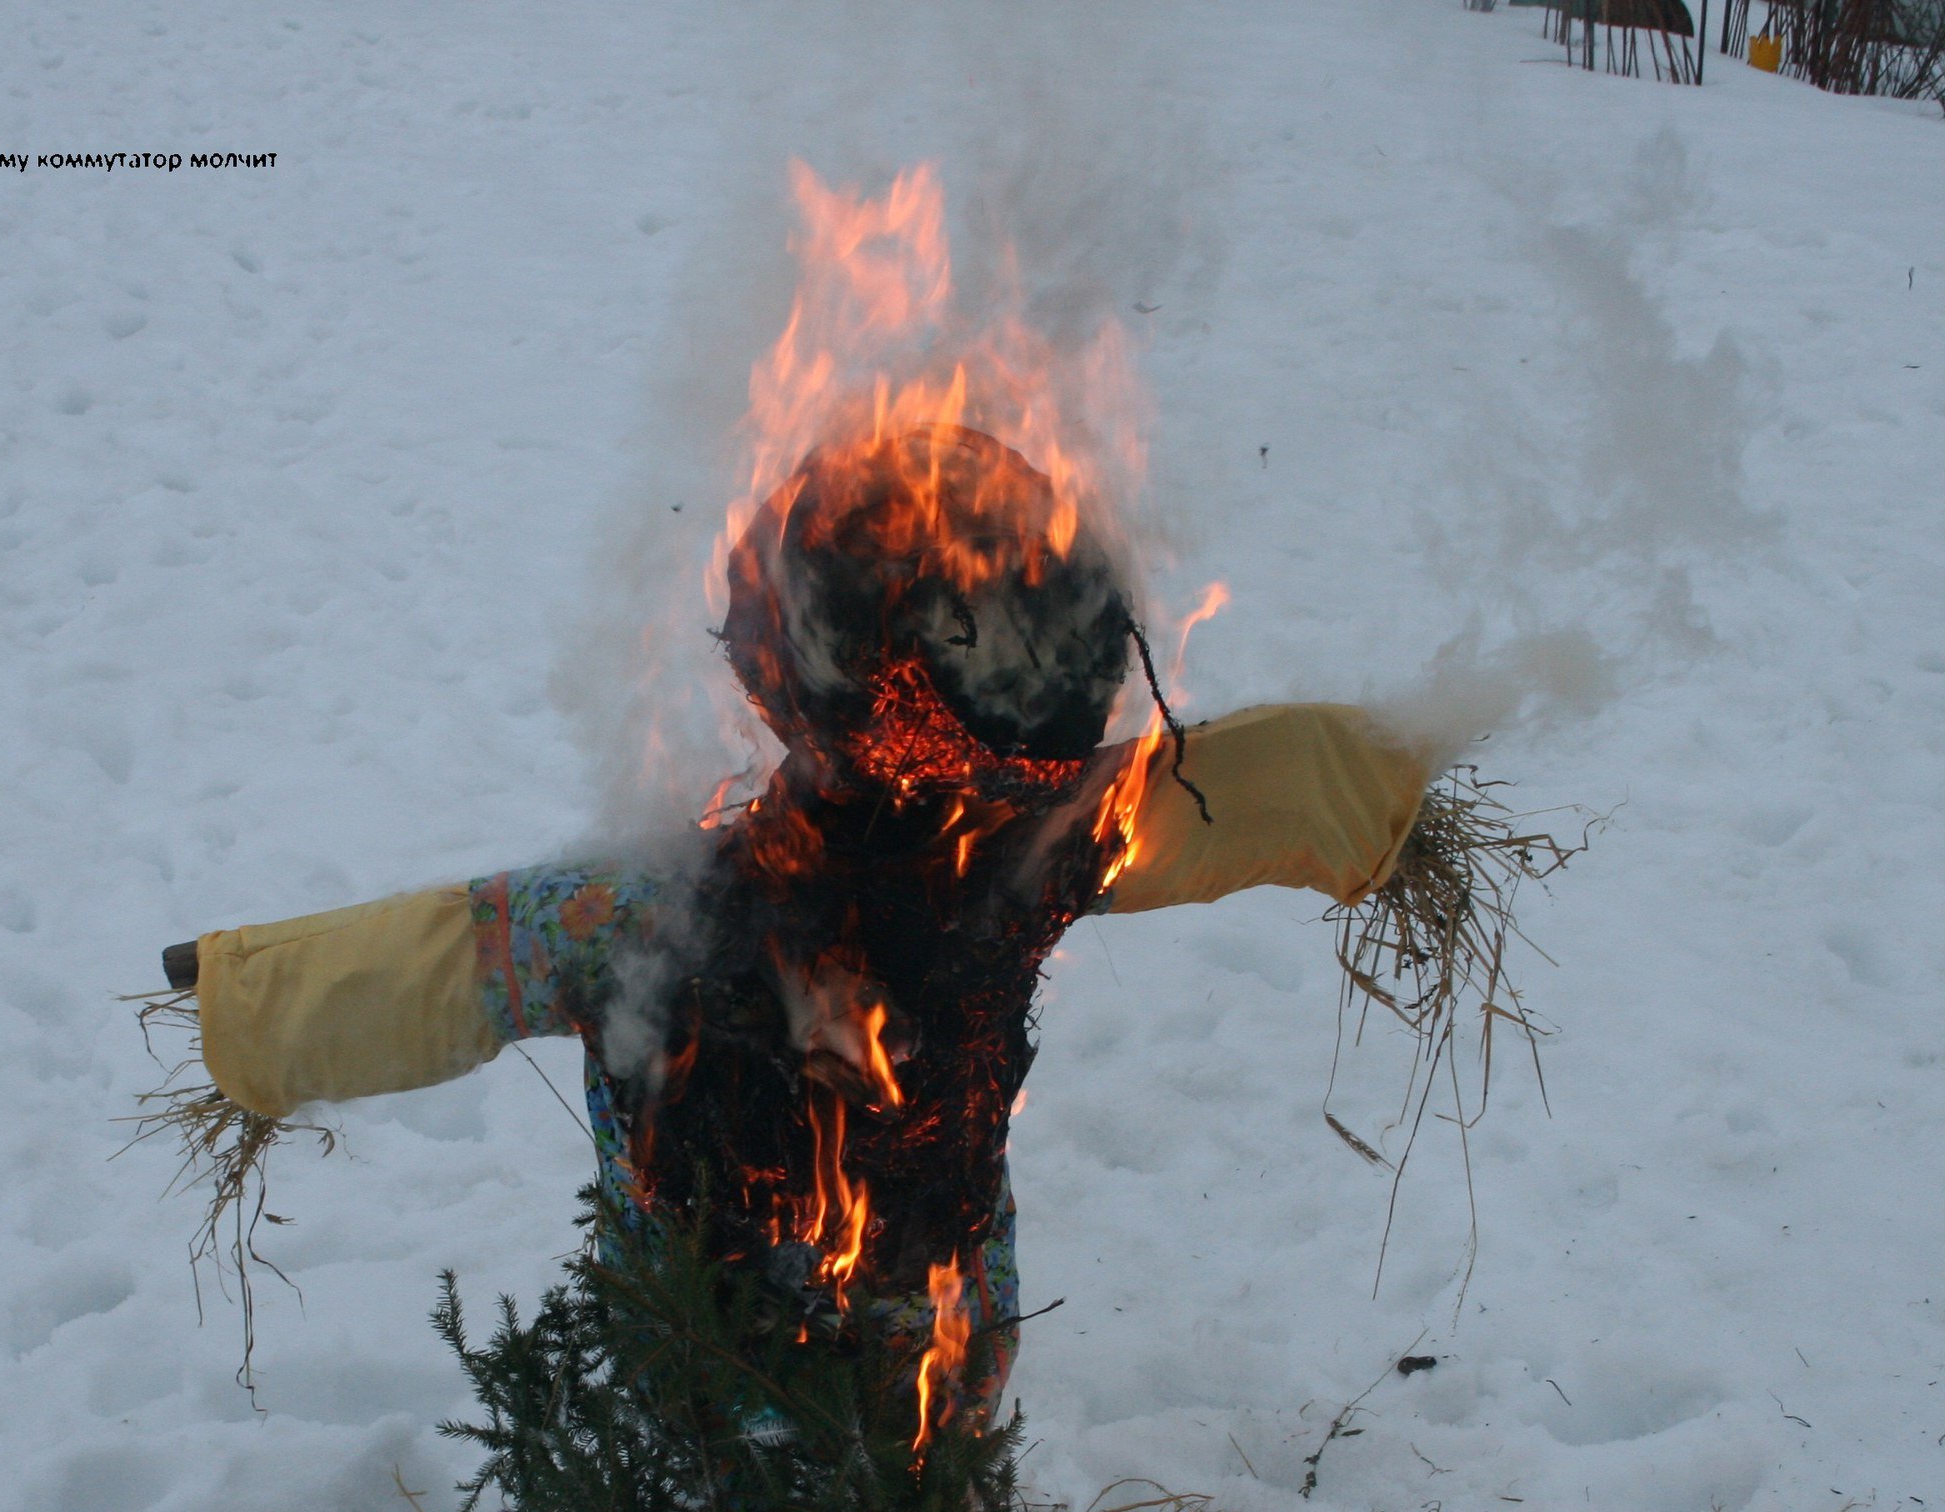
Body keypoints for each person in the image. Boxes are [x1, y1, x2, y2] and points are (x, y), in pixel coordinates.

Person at [168, 427, 1427, 1413]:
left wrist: (249, 995)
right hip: (851, 1358)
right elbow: (1218, 795)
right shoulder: (1024, 855)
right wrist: (1375, 792)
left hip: (779, 1368)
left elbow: (459, 953)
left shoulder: (643, 915)